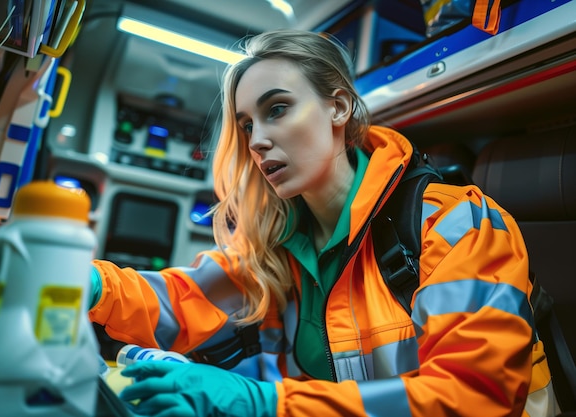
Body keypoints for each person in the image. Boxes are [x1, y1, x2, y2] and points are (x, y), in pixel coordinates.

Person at [88, 29, 557, 417]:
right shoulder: (277, 246)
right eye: (247, 124)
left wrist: (265, 404)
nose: (258, 141)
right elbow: (181, 300)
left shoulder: (453, 224)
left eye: (277, 110)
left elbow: (474, 396)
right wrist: (89, 283)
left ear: (338, 107)